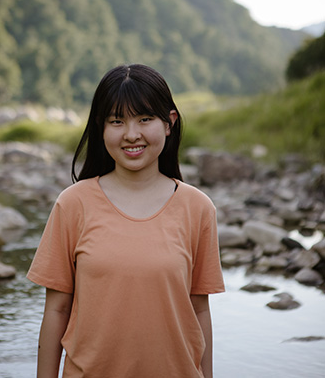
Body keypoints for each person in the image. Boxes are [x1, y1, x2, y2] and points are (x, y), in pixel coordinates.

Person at [27, 63, 225, 378]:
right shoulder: (73, 204)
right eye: (117, 121)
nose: (132, 134)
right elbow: (56, 310)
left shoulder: (198, 208)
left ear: (169, 122)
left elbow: (199, 310)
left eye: (145, 119)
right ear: (100, 127)